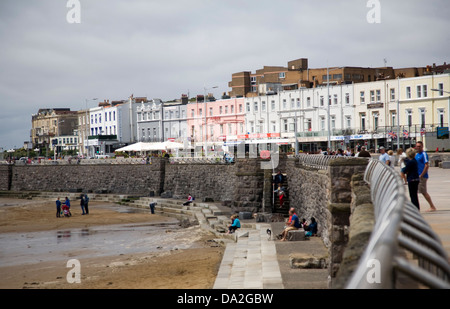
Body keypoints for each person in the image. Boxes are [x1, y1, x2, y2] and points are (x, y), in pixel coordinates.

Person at [415, 141, 437, 212]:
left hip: (422, 176)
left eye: (419, 146)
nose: (418, 147)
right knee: (418, 191)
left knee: (424, 192)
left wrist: (422, 175)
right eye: (417, 146)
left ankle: (432, 206)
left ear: (422, 146)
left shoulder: (423, 154)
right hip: (418, 175)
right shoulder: (417, 154)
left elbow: (426, 165)